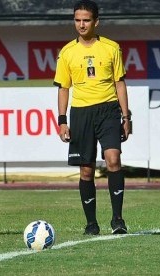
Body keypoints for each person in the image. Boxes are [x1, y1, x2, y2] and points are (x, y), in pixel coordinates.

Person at [54, 0, 130, 235]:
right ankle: (91, 223)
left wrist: (126, 117)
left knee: (113, 159)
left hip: (108, 110)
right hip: (81, 113)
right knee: (86, 170)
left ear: (96, 21)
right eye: (77, 20)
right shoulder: (67, 52)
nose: (81, 24)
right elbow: (63, 88)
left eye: (86, 20)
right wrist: (62, 120)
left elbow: (120, 83)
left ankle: (117, 220)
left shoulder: (111, 48)